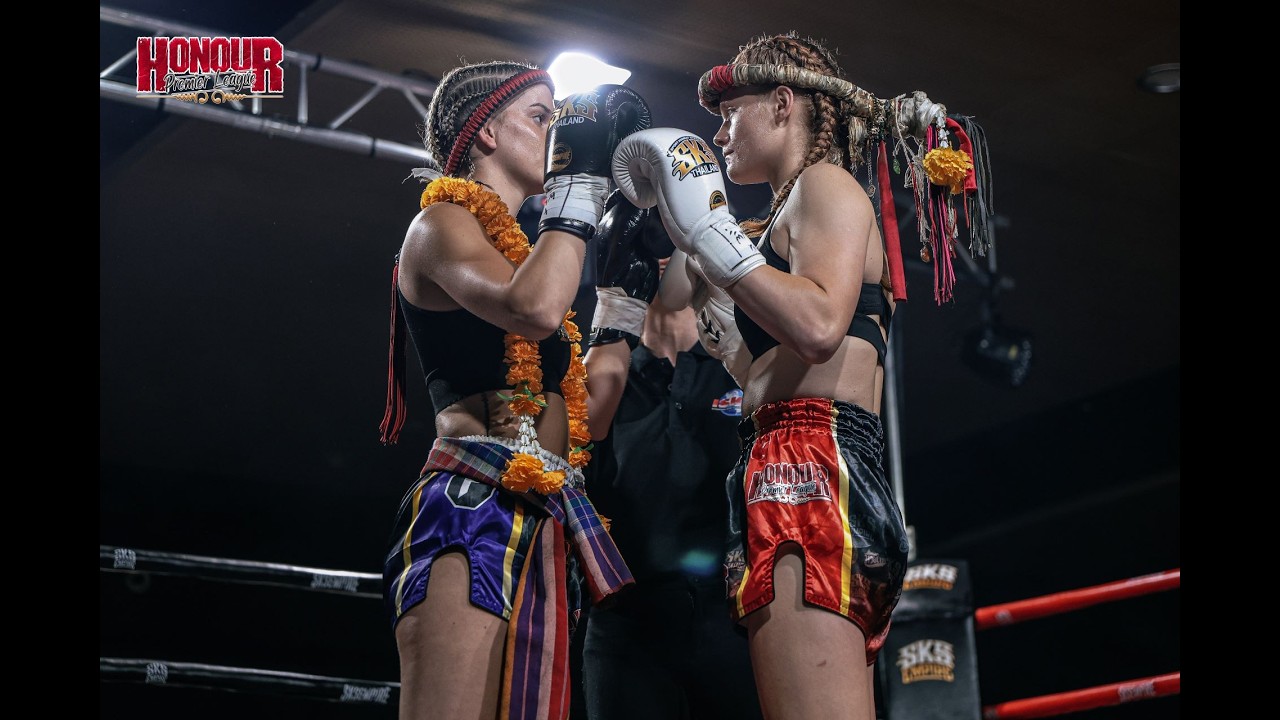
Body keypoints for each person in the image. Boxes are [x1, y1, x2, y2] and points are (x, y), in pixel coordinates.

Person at [609, 31, 971, 719]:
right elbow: (796, 358)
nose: (719, 133)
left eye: (730, 112)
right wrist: (728, 339)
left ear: (782, 104)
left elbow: (818, 327)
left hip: (806, 465)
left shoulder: (824, 186)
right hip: (797, 457)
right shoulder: (788, 212)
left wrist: (721, 250)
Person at [376, 62, 651, 720]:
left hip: (547, 506)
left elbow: (590, 412)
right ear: (488, 133)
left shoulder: (532, 248)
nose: (558, 133)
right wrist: (579, 200)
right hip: (472, 508)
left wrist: (627, 306)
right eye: (541, 116)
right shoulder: (440, 225)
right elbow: (531, 310)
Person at [574, 192, 764, 720]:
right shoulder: (607, 370)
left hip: (735, 616)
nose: (661, 249)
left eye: (672, 231)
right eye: (648, 233)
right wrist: (614, 308)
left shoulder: (740, 363)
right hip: (626, 623)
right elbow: (569, 445)